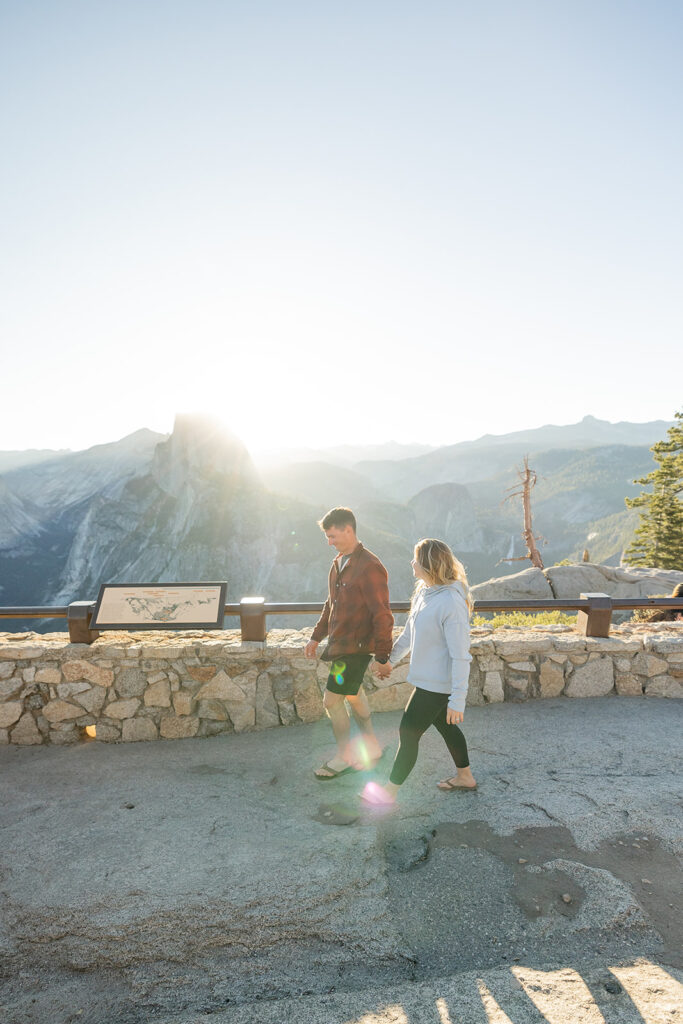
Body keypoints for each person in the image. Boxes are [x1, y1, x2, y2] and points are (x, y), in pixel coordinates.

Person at [362, 538, 476, 806]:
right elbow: (409, 633)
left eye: (415, 559)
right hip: (427, 680)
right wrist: (389, 660)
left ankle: (388, 793)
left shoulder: (451, 602)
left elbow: (461, 655)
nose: (411, 563)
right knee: (447, 728)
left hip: (437, 684)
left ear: (427, 564)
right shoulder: (425, 592)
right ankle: (466, 777)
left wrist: (458, 699)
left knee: (408, 733)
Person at [304, 507, 394, 779]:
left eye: (333, 536)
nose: (329, 543)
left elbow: (383, 614)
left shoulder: (370, 566)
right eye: (327, 538)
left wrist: (382, 656)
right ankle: (373, 748)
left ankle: (344, 757)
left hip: (355, 650)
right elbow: (330, 604)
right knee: (354, 697)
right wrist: (316, 636)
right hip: (341, 646)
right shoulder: (339, 562)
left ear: (348, 530)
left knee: (331, 702)